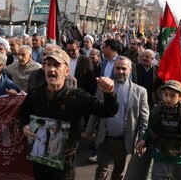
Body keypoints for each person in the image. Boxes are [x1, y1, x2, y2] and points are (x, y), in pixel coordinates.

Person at [19, 49, 119, 180]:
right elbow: (23, 113)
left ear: (66, 71)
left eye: (57, 65)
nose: (51, 69)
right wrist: (24, 126)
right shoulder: (34, 93)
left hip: (64, 165)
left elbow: (108, 111)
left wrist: (109, 93)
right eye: (48, 64)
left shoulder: (77, 96)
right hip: (39, 159)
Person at [85, 56, 149, 180]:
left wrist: (142, 139)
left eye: (123, 69)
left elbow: (144, 119)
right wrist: (89, 130)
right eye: (117, 68)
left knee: (119, 173)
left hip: (125, 141)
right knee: (101, 171)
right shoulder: (103, 88)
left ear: (130, 70)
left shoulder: (140, 92)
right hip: (105, 139)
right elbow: (94, 112)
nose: (120, 72)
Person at [136, 80, 181, 180]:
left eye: (172, 95)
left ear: (180, 97)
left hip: (180, 160)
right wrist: (145, 139)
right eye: (165, 94)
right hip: (160, 159)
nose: (168, 98)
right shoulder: (156, 112)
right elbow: (150, 128)